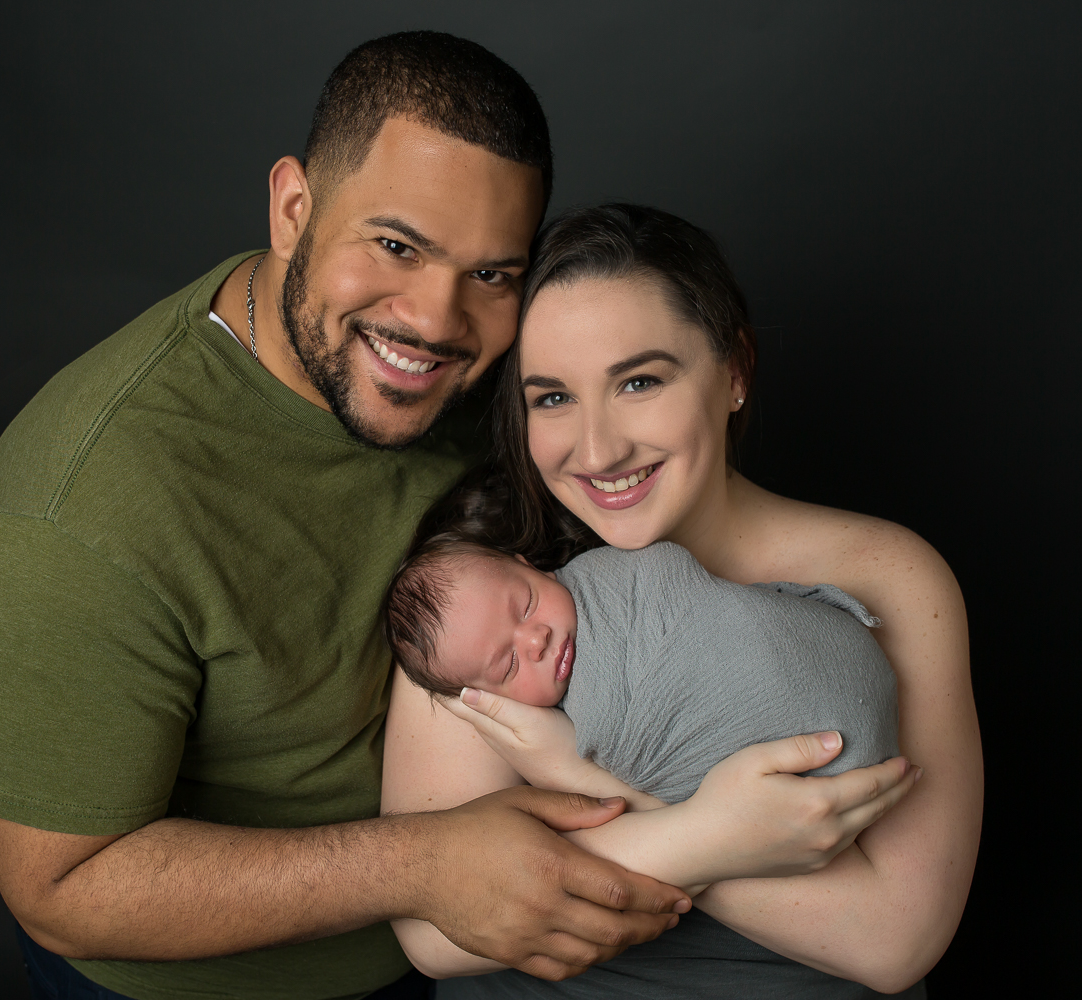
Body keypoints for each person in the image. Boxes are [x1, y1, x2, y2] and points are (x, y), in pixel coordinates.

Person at [0, 31, 917, 1000]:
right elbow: (62, 889)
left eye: (491, 273)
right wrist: (421, 863)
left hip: (470, 944)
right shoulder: (76, 513)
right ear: (293, 209)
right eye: (396, 246)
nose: (436, 321)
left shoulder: (502, 386)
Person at [383, 205, 981, 997]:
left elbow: (895, 940)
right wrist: (707, 836)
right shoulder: (485, 591)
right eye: (552, 398)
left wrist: (587, 778)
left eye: (639, 381)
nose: (598, 450)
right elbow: (434, 931)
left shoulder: (886, 574)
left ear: (734, 372)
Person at [382, 535, 900, 804]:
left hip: (832, 659)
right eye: (509, 663)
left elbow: (671, 576)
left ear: (529, 564)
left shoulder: (604, 571)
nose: (536, 639)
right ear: (490, 700)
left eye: (526, 604)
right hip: (834, 764)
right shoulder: (569, 730)